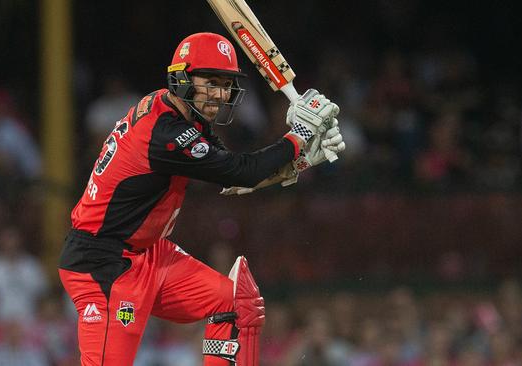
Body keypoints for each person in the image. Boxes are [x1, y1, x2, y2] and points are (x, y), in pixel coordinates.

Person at [58, 32, 345, 366]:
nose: (220, 94)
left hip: (150, 253)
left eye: (225, 84)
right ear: (182, 78)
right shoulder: (166, 134)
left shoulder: (179, 112)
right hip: (105, 264)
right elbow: (242, 172)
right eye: (211, 82)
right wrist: (301, 136)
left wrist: (301, 159)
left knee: (235, 305)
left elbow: (236, 179)